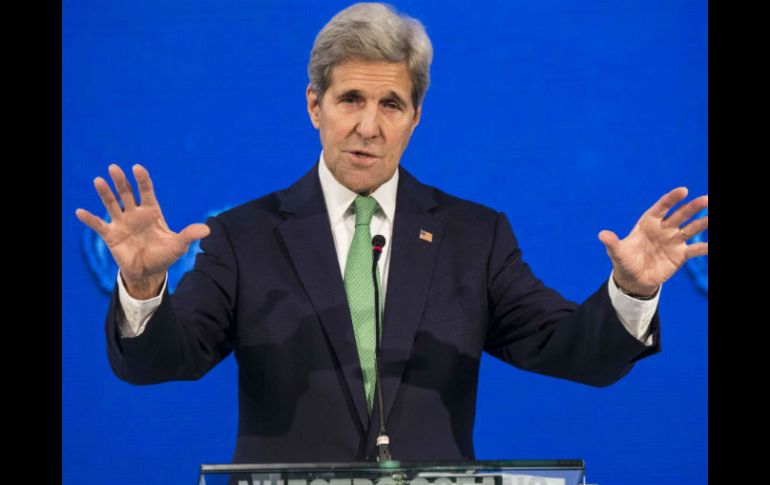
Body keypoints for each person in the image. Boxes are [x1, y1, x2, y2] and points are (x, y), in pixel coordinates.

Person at [75, 2, 708, 463]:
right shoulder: (244, 236)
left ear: (415, 118)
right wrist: (142, 281)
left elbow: (573, 350)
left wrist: (629, 291)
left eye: (391, 105)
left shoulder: (473, 236)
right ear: (313, 106)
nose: (369, 127)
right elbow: (162, 361)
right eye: (351, 99)